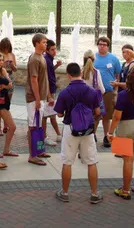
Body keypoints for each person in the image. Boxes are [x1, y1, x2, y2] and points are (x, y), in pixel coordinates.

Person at [53, 62, 103, 204]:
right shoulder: (92, 91)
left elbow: (59, 114)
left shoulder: (64, 93)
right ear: (81, 73)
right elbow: (98, 112)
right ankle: (94, 193)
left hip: (70, 128)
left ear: (68, 75)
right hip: (87, 129)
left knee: (67, 161)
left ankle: (65, 192)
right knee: (91, 161)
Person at [108, 66, 134, 200]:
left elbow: (116, 117)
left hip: (125, 127)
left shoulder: (123, 95)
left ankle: (125, 190)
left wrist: (110, 132)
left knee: (127, 159)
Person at [26, 33, 52, 166]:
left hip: (40, 97)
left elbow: (44, 78)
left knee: (39, 125)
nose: (46, 44)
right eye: (44, 42)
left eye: (46, 42)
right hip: (34, 98)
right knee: (32, 126)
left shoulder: (41, 57)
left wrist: (48, 96)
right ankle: (32, 155)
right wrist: (37, 99)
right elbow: (34, 79)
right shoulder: (34, 59)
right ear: (36, 43)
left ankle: (39, 150)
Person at [92, 36, 121, 147]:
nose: (102, 46)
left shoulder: (113, 59)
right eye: (100, 44)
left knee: (107, 116)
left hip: (108, 92)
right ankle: (92, 135)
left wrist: (116, 90)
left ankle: (106, 136)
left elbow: (117, 75)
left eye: (104, 44)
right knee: (95, 115)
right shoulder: (93, 58)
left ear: (108, 46)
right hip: (95, 92)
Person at [42, 40, 63, 147]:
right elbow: (45, 79)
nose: (55, 51)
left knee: (50, 114)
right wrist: (49, 95)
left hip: (50, 90)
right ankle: (45, 137)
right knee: (47, 115)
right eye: (52, 49)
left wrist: (56, 66)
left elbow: (49, 73)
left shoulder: (49, 60)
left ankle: (58, 135)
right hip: (48, 91)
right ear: (47, 50)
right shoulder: (46, 60)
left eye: (55, 49)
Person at [82, 50, 106, 140]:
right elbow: (102, 89)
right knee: (96, 117)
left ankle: (84, 132)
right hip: (94, 99)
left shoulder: (81, 71)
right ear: (94, 59)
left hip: (83, 99)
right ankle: (93, 133)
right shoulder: (96, 72)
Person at [0, 37, 17, 136]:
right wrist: (3, 64)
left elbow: (15, 69)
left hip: (10, 78)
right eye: (5, 47)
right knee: (0, 101)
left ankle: (6, 124)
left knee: (7, 102)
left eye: (8, 47)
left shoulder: (12, 55)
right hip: (2, 78)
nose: (6, 49)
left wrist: (12, 65)